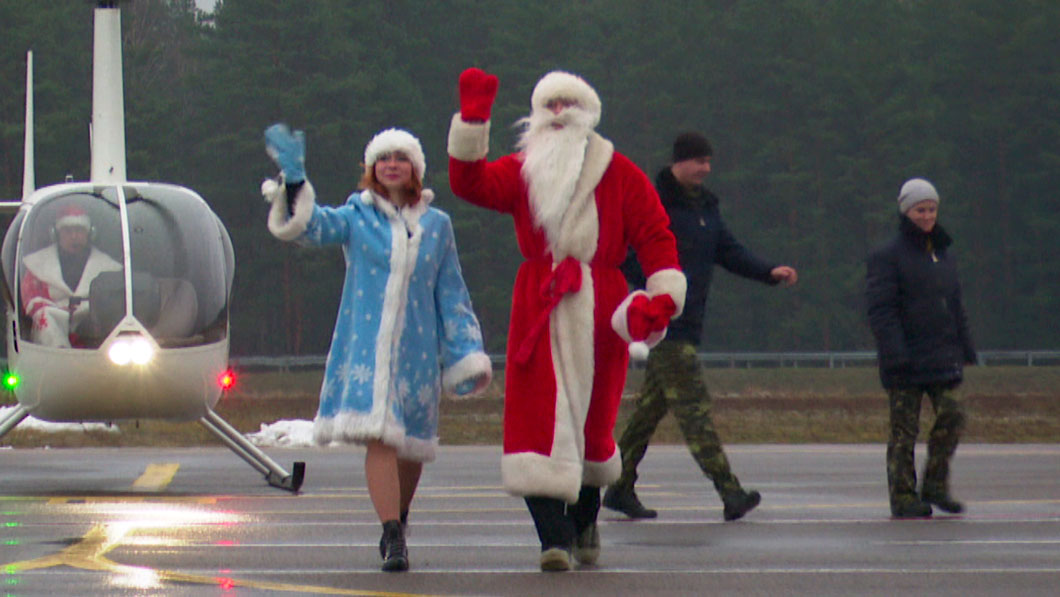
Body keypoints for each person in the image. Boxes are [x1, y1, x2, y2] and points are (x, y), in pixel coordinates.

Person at [447, 68, 685, 571]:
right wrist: (473, 119)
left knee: (594, 423)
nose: (557, 114)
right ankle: (552, 539)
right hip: (539, 303)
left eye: (567, 104)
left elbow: (657, 235)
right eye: (548, 105)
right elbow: (470, 184)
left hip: (602, 304)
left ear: (587, 113)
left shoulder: (621, 172)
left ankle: (582, 522)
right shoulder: (523, 167)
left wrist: (662, 297)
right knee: (536, 421)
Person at [261, 124, 493, 571]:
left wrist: (465, 354)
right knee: (380, 441)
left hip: (418, 354)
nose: (391, 165)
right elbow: (310, 228)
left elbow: (452, 292)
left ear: (414, 170)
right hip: (367, 350)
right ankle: (391, 535)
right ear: (372, 169)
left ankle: (399, 520)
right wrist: (293, 183)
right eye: (383, 158)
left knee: (410, 448)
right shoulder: (355, 215)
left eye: (399, 158)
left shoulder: (438, 226)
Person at [603, 133, 798, 522]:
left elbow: (729, 251)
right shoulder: (654, 202)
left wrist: (768, 273)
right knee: (695, 412)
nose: (705, 168)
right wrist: (655, 287)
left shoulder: (706, 209)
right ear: (679, 162)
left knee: (648, 414)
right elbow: (624, 252)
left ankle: (619, 487)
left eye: (709, 161)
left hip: (690, 323)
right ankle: (730, 492)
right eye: (698, 161)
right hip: (664, 324)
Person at [866, 177, 976, 518]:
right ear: (906, 211)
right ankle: (902, 496)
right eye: (920, 210)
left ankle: (935, 485)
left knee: (953, 415)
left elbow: (954, 303)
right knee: (904, 431)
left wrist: (965, 346)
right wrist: (895, 352)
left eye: (931, 209)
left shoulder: (942, 253)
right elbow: (881, 310)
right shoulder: (887, 256)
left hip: (943, 354)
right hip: (906, 360)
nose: (927, 216)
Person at [21, 205, 122, 347]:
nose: (74, 236)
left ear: (89, 233)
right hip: (52, 327)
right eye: (68, 231)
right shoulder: (37, 265)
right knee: (45, 316)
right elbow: (29, 299)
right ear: (56, 234)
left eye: (79, 230)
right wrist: (60, 312)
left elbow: (115, 303)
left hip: (92, 327)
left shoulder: (108, 267)